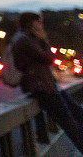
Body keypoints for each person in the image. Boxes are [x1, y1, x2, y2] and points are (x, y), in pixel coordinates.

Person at [11, 12, 83, 152]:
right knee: (71, 125)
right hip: (42, 89)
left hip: (48, 87)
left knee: (77, 115)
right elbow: (48, 58)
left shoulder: (28, 39)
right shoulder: (24, 40)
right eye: (39, 22)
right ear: (31, 24)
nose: (41, 25)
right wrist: (43, 39)